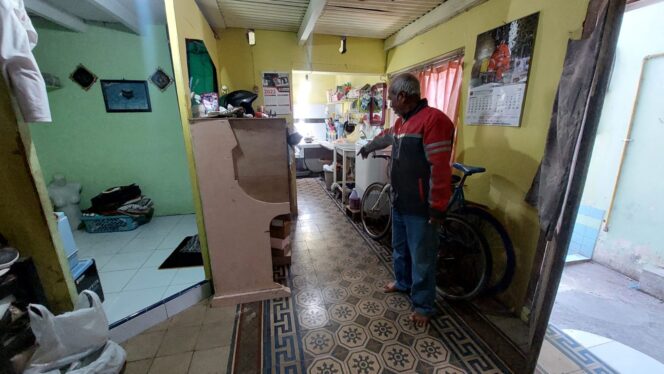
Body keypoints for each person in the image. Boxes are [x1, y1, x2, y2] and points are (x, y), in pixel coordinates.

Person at [358, 73, 454, 326]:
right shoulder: (402, 123)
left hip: (422, 208)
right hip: (400, 201)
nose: (388, 102)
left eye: (390, 97)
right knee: (399, 249)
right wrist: (368, 147)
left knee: (422, 258)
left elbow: (440, 169)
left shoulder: (434, 121)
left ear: (402, 96)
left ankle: (423, 305)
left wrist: (437, 206)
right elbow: (387, 136)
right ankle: (403, 283)